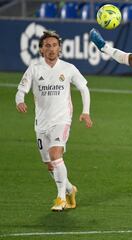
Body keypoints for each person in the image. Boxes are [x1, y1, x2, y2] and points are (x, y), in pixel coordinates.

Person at [15, 30, 93, 211]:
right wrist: (19, 100)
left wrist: (86, 111)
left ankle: (60, 198)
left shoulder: (68, 68)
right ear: (41, 50)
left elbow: (84, 88)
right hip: (41, 123)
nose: (51, 49)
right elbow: (21, 90)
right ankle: (69, 189)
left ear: (60, 49)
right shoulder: (34, 69)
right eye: (47, 46)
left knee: (56, 155)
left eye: (55, 45)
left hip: (62, 119)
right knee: (50, 165)